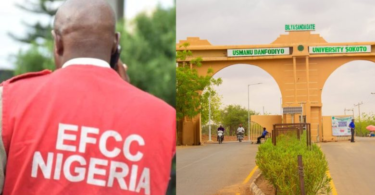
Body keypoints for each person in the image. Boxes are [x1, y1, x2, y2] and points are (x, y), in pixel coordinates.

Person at [0, 0, 175, 195]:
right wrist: (131, 99)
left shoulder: (9, 100)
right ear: (115, 43)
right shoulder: (164, 118)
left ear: (57, 41)